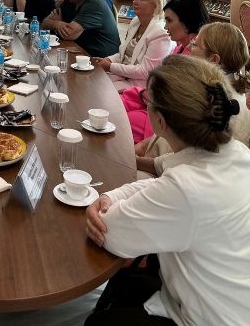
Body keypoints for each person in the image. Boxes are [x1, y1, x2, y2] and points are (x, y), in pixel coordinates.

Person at [86, 55, 250, 326]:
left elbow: (110, 233)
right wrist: (111, 196)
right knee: (125, 288)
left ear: (160, 121)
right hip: (232, 302)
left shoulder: (187, 189)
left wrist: (101, 206)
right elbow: (162, 185)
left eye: (148, 101)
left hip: (205, 318)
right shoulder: (237, 154)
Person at [136, 22, 250, 177]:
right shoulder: (217, 93)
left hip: (170, 178)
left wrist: (142, 162)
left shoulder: (215, 104)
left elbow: (188, 163)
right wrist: (147, 145)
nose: (189, 47)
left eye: (196, 44)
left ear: (214, 59)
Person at [121, 0, 210, 143]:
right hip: (155, 102)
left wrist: (147, 94)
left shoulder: (197, 54)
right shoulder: (180, 47)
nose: (165, 26)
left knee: (122, 121)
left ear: (186, 22)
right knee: (118, 103)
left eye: (169, 20)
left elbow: (176, 98)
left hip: (170, 115)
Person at [94, 0, 173, 92]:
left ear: (156, 5)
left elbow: (146, 72)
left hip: (141, 85)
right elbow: (124, 55)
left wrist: (110, 66)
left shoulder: (160, 33)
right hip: (123, 76)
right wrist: (108, 60)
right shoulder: (135, 21)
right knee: (90, 79)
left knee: (98, 90)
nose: (135, 1)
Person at [42, 0, 120, 57]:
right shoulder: (70, 0)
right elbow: (45, 23)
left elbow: (69, 34)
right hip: (79, 50)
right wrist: (58, 24)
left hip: (101, 58)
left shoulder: (94, 3)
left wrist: (58, 23)